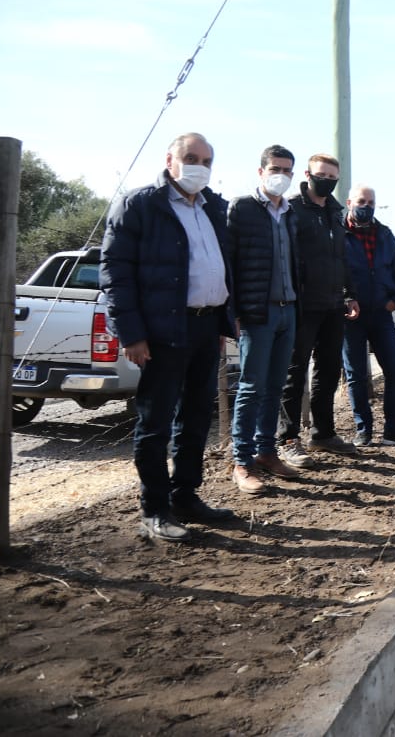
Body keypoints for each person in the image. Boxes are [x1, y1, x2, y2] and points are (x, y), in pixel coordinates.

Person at [100, 132, 236, 541]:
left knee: (196, 418)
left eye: (207, 160)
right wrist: (132, 333)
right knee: (155, 422)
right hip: (160, 331)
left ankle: (185, 495)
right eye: (191, 157)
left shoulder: (213, 206)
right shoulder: (141, 204)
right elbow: (116, 271)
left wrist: (221, 323)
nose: (200, 166)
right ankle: (154, 509)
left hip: (205, 326)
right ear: (170, 159)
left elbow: (220, 265)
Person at [227, 144, 303, 495]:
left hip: (288, 309)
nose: (281, 175)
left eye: (287, 170)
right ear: (260, 171)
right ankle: (241, 462)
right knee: (251, 387)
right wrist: (235, 313)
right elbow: (231, 263)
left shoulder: (290, 213)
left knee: (275, 387)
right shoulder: (242, 208)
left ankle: (266, 451)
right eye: (275, 168)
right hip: (258, 312)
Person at [276, 153, 360, 467]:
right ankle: (287, 438)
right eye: (321, 174)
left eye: (332, 176)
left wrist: (349, 293)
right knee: (293, 372)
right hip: (301, 305)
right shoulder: (292, 208)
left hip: (332, 304)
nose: (326, 180)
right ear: (308, 175)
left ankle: (323, 433)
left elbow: (341, 257)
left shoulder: (336, 212)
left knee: (327, 370)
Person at [341, 184, 395, 448]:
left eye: (371, 202)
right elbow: (333, 271)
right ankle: (364, 430)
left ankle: (393, 430)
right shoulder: (339, 233)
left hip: (382, 313)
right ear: (350, 202)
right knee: (356, 374)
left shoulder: (384, 234)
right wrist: (345, 298)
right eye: (361, 201)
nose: (366, 206)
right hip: (351, 316)